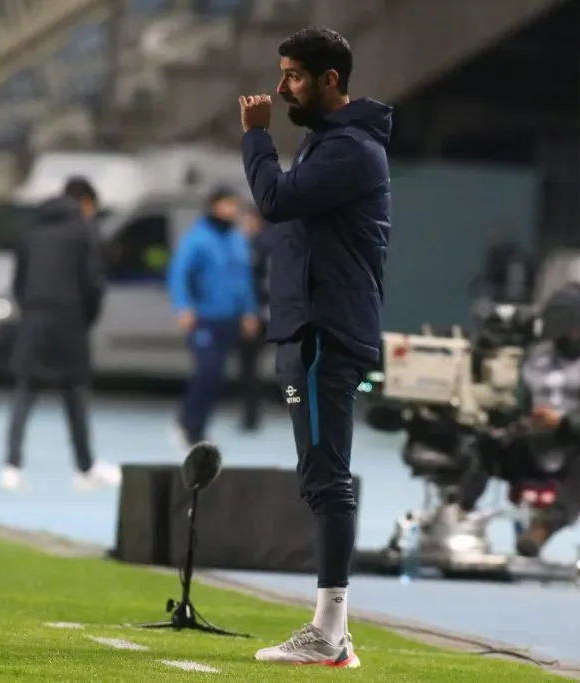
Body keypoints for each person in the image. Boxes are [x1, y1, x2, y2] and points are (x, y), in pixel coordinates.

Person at [239, 26, 392, 668]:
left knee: (328, 478)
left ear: (331, 81)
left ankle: (329, 634)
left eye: (294, 76)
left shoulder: (351, 150)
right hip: (308, 329)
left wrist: (255, 136)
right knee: (319, 476)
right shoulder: (327, 145)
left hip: (329, 332)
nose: (279, 88)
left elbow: (273, 201)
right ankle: (334, 634)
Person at [456, 282, 580, 557]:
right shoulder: (536, 357)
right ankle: (457, 513)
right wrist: (504, 421)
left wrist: (564, 423)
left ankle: (544, 527)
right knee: (487, 446)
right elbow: (515, 405)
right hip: (541, 446)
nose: (566, 336)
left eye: (572, 328)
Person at [1, 177, 123, 491]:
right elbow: (93, 284)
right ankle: (85, 468)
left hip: (35, 318)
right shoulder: (84, 233)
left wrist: (30, 311)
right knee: (75, 397)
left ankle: (11, 466)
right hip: (69, 321)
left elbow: (19, 283)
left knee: (24, 394)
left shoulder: (31, 231)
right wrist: (86, 319)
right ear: (85, 202)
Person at [167, 187, 261, 448]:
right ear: (213, 207)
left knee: (217, 375)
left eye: (234, 205)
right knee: (206, 371)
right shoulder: (197, 238)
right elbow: (179, 274)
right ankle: (189, 425)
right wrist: (183, 306)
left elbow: (243, 280)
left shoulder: (237, 239)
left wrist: (249, 312)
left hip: (229, 318)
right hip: (204, 318)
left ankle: (196, 424)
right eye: (226, 205)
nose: (231, 211)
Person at [237, 206, 277, 432]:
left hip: (262, 315)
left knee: (250, 367)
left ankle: (251, 417)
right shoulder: (281, 239)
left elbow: (260, 283)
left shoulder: (258, 244)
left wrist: (253, 313)